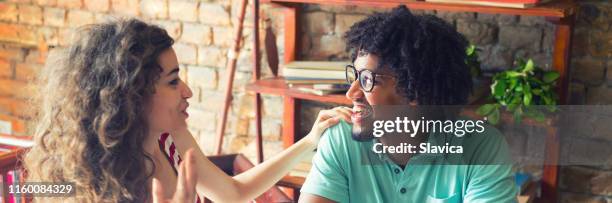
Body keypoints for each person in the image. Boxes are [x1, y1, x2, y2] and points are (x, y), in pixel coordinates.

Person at [23, 19, 352, 203]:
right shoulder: (94, 183)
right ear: (134, 94)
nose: (188, 92)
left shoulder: (171, 138)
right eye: (172, 82)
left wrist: (310, 142)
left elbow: (233, 193)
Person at [299, 6, 517, 203]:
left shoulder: (481, 148)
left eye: (367, 79)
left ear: (416, 90)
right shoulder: (341, 139)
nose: (351, 93)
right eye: (355, 75)